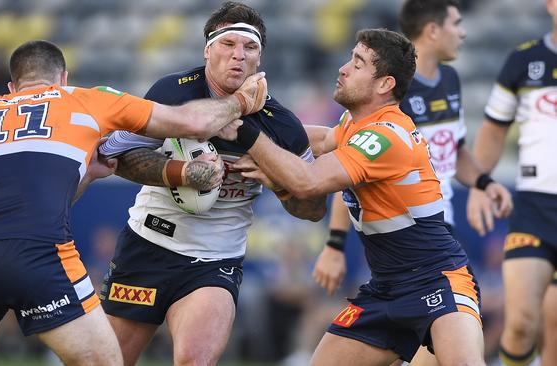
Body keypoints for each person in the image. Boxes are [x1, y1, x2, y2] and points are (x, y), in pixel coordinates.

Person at [0, 39, 267, 366]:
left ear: (13, 87)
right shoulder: (85, 99)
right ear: (64, 78)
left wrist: (86, 175)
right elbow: (194, 123)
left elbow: (24, 193)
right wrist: (239, 101)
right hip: (37, 252)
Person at [233, 28, 486, 365]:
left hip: (437, 282)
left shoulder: (383, 137)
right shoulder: (358, 123)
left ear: (384, 84)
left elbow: (307, 182)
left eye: (357, 63)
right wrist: (262, 119)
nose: (343, 69)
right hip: (384, 290)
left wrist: (245, 130)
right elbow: (322, 140)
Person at [97, 2, 327, 365]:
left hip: (214, 259)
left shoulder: (281, 124)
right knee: (108, 361)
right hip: (148, 244)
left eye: (249, 48)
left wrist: (277, 181)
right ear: (207, 51)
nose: (238, 56)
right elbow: (113, 156)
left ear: (259, 60)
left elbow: (313, 208)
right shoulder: (173, 92)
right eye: (228, 45)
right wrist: (182, 173)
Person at [311, 1, 513, 364]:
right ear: (432, 30)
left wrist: (483, 181)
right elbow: (350, 171)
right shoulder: (386, 96)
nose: (463, 31)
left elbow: (456, 148)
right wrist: (335, 243)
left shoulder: (448, 80)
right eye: (456, 22)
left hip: (434, 237)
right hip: (395, 243)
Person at [467, 0, 557, 364]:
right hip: (534, 207)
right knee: (521, 323)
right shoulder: (524, 61)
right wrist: (478, 184)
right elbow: (491, 130)